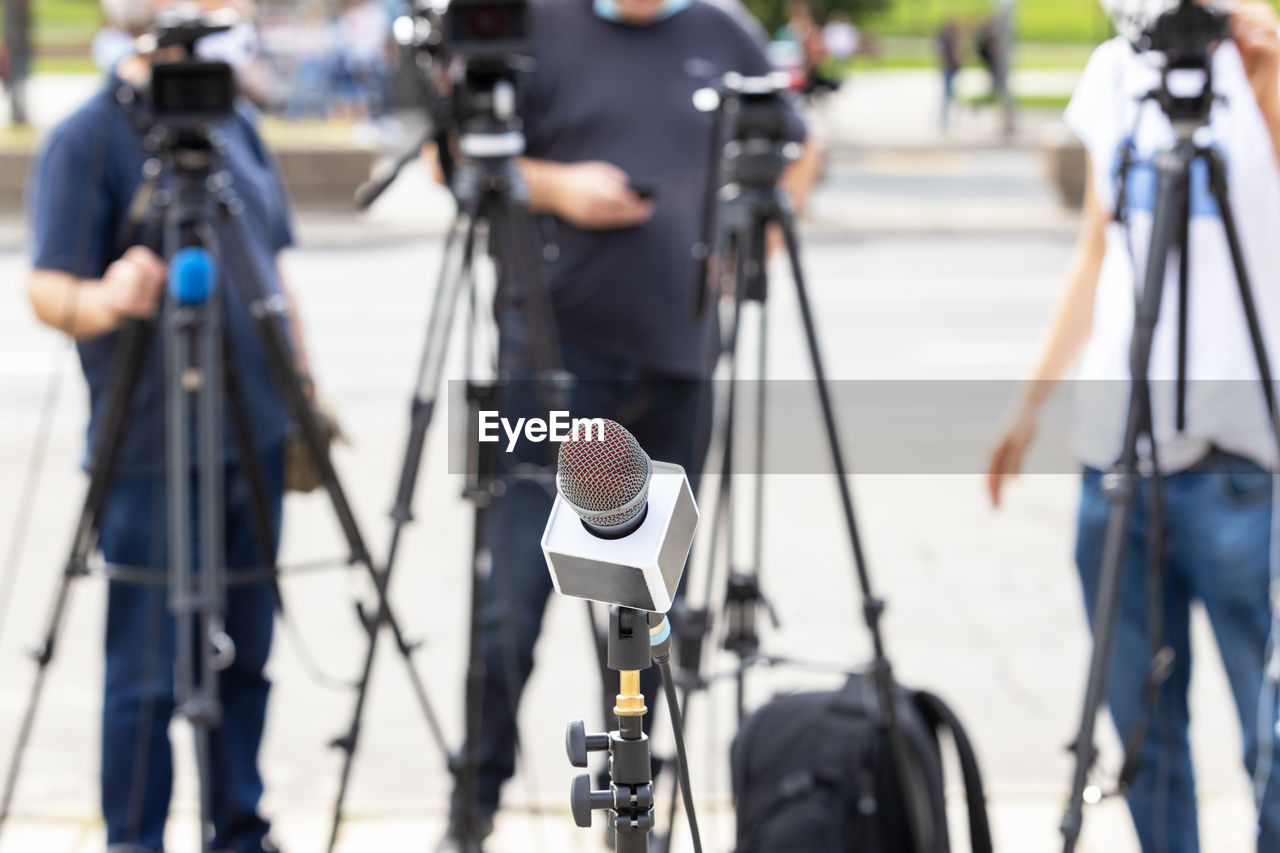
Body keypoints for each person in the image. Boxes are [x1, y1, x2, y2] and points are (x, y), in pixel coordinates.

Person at [433, 0, 820, 847]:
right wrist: (559, 186)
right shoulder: (532, 23)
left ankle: (631, 808)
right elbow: (453, 157)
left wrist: (749, 245)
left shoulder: (724, 32)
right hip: (539, 364)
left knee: (645, 610)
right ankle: (474, 802)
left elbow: (797, 144)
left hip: (674, 366)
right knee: (510, 600)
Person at [987, 4, 1280, 850]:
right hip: (1117, 458)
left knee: (1273, 742)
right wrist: (1027, 407)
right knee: (1145, 745)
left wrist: (1265, 85)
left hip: (1241, 463)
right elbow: (1096, 249)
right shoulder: (1115, 73)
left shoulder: (1261, 70)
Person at [24, 0, 312, 849]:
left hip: (252, 440)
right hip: (149, 446)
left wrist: (305, 385)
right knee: (146, 674)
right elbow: (47, 288)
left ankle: (239, 828)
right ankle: (135, 837)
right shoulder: (89, 136)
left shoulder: (238, 124)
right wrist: (108, 296)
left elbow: (275, 267)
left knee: (247, 659)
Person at [938, 19, 962, 129]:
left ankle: (947, 118)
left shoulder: (947, 39)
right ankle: (945, 118)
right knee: (948, 95)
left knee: (950, 94)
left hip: (951, 68)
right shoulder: (948, 40)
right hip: (949, 68)